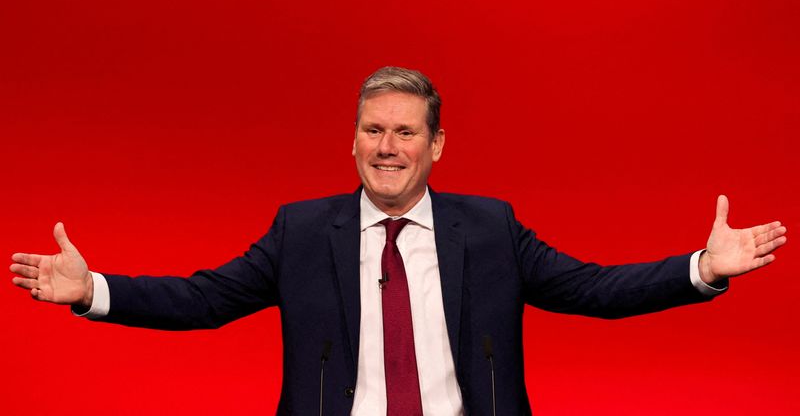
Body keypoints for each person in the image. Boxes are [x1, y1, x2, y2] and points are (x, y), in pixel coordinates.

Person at [10, 67, 788, 415]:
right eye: (373, 129)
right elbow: (206, 298)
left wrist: (700, 269)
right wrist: (94, 290)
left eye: (405, 131)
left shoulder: (488, 228)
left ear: (437, 144)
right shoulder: (302, 228)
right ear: (351, 141)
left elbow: (592, 289)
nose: (388, 146)